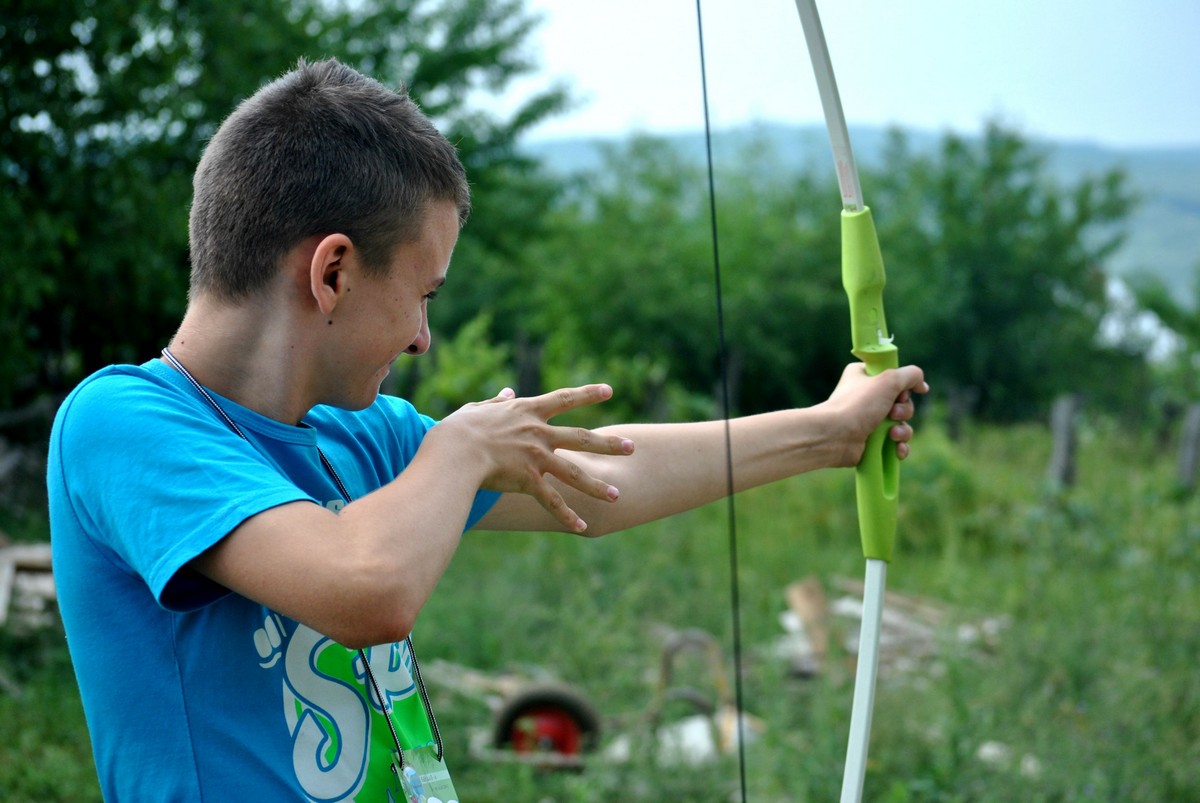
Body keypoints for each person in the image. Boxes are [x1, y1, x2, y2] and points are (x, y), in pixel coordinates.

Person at [47, 58, 928, 801]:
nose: (423, 335)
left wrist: (826, 432)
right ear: (333, 271)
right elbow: (365, 588)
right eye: (424, 294)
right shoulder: (122, 422)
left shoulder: (368, 439)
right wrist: (463, 446)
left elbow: (603, 474)